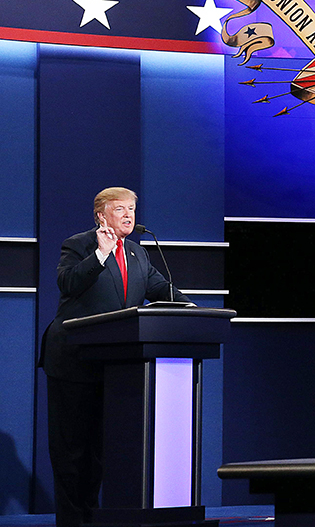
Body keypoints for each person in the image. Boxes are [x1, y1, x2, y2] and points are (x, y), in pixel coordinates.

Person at [38, 187, 190, 527]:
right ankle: (73, 522)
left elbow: (159, 288)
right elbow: (68, 283)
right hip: (73, 362)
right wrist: (100, 255)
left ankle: (93, 518)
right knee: (72, 452)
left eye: (132, 209)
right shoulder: (78, 245)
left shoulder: (137, 253)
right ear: (100, 215)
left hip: (118, 367)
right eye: (119, 209)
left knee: (100, 453)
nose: (128, 215)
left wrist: (192, 309)